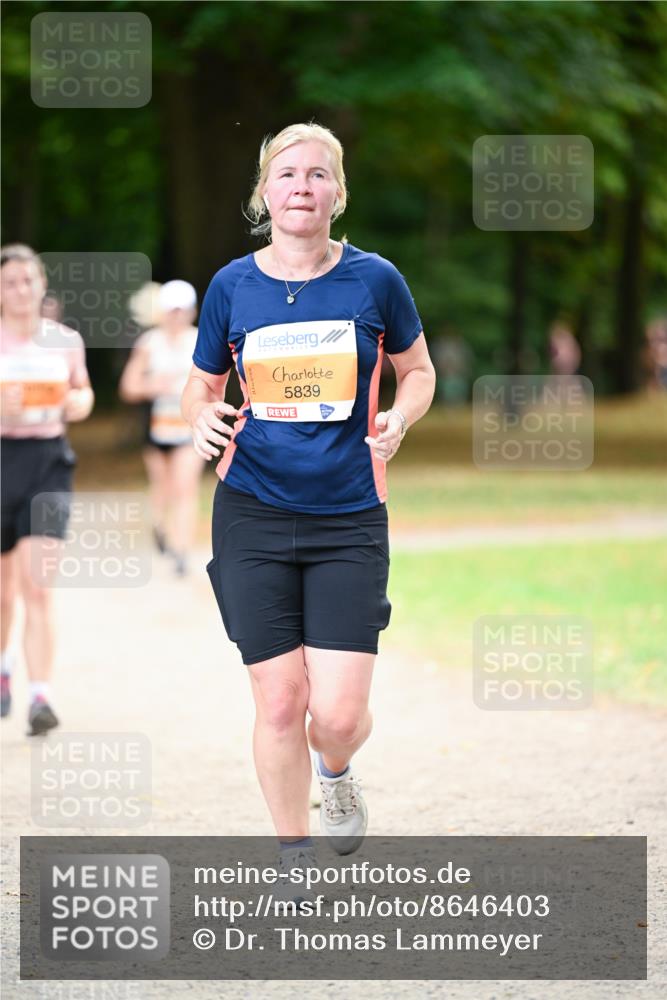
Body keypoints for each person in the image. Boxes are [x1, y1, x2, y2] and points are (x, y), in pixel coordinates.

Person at [181, 123, 435, 898]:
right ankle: (292, 856)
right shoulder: (231, 287)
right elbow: (202, 385)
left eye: (317, 175)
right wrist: (199, 416)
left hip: (349, 515)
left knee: (338, 712)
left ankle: (338, 770)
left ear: (337, 193)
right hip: (252, 508)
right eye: (286, 174)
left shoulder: (375, 280)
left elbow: (416, 370)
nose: (301, 186)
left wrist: (400, 416)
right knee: (280, 698)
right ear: (264, 192)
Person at [0, 244, 94, 734]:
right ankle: (3, 668)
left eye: (28, 280)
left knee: (38, 585)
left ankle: (41, 696)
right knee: (3, 593)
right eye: (10, 281)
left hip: (48, 464)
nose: (20, 289)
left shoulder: (64, 341)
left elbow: (82, 389)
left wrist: (78, 403)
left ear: (41, 285)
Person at [119, 280, 205, 576]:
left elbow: (215, 384)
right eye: (172, 310)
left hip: (189, 426)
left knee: (185, 487)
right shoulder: (148, 343)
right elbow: (129, 387)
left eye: (182, 310)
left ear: (192, 312)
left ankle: (181, 552)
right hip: (156, 428)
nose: (177, 316)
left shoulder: (201, 340)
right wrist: (152, 386)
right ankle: (159, 525)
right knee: (163, 488)